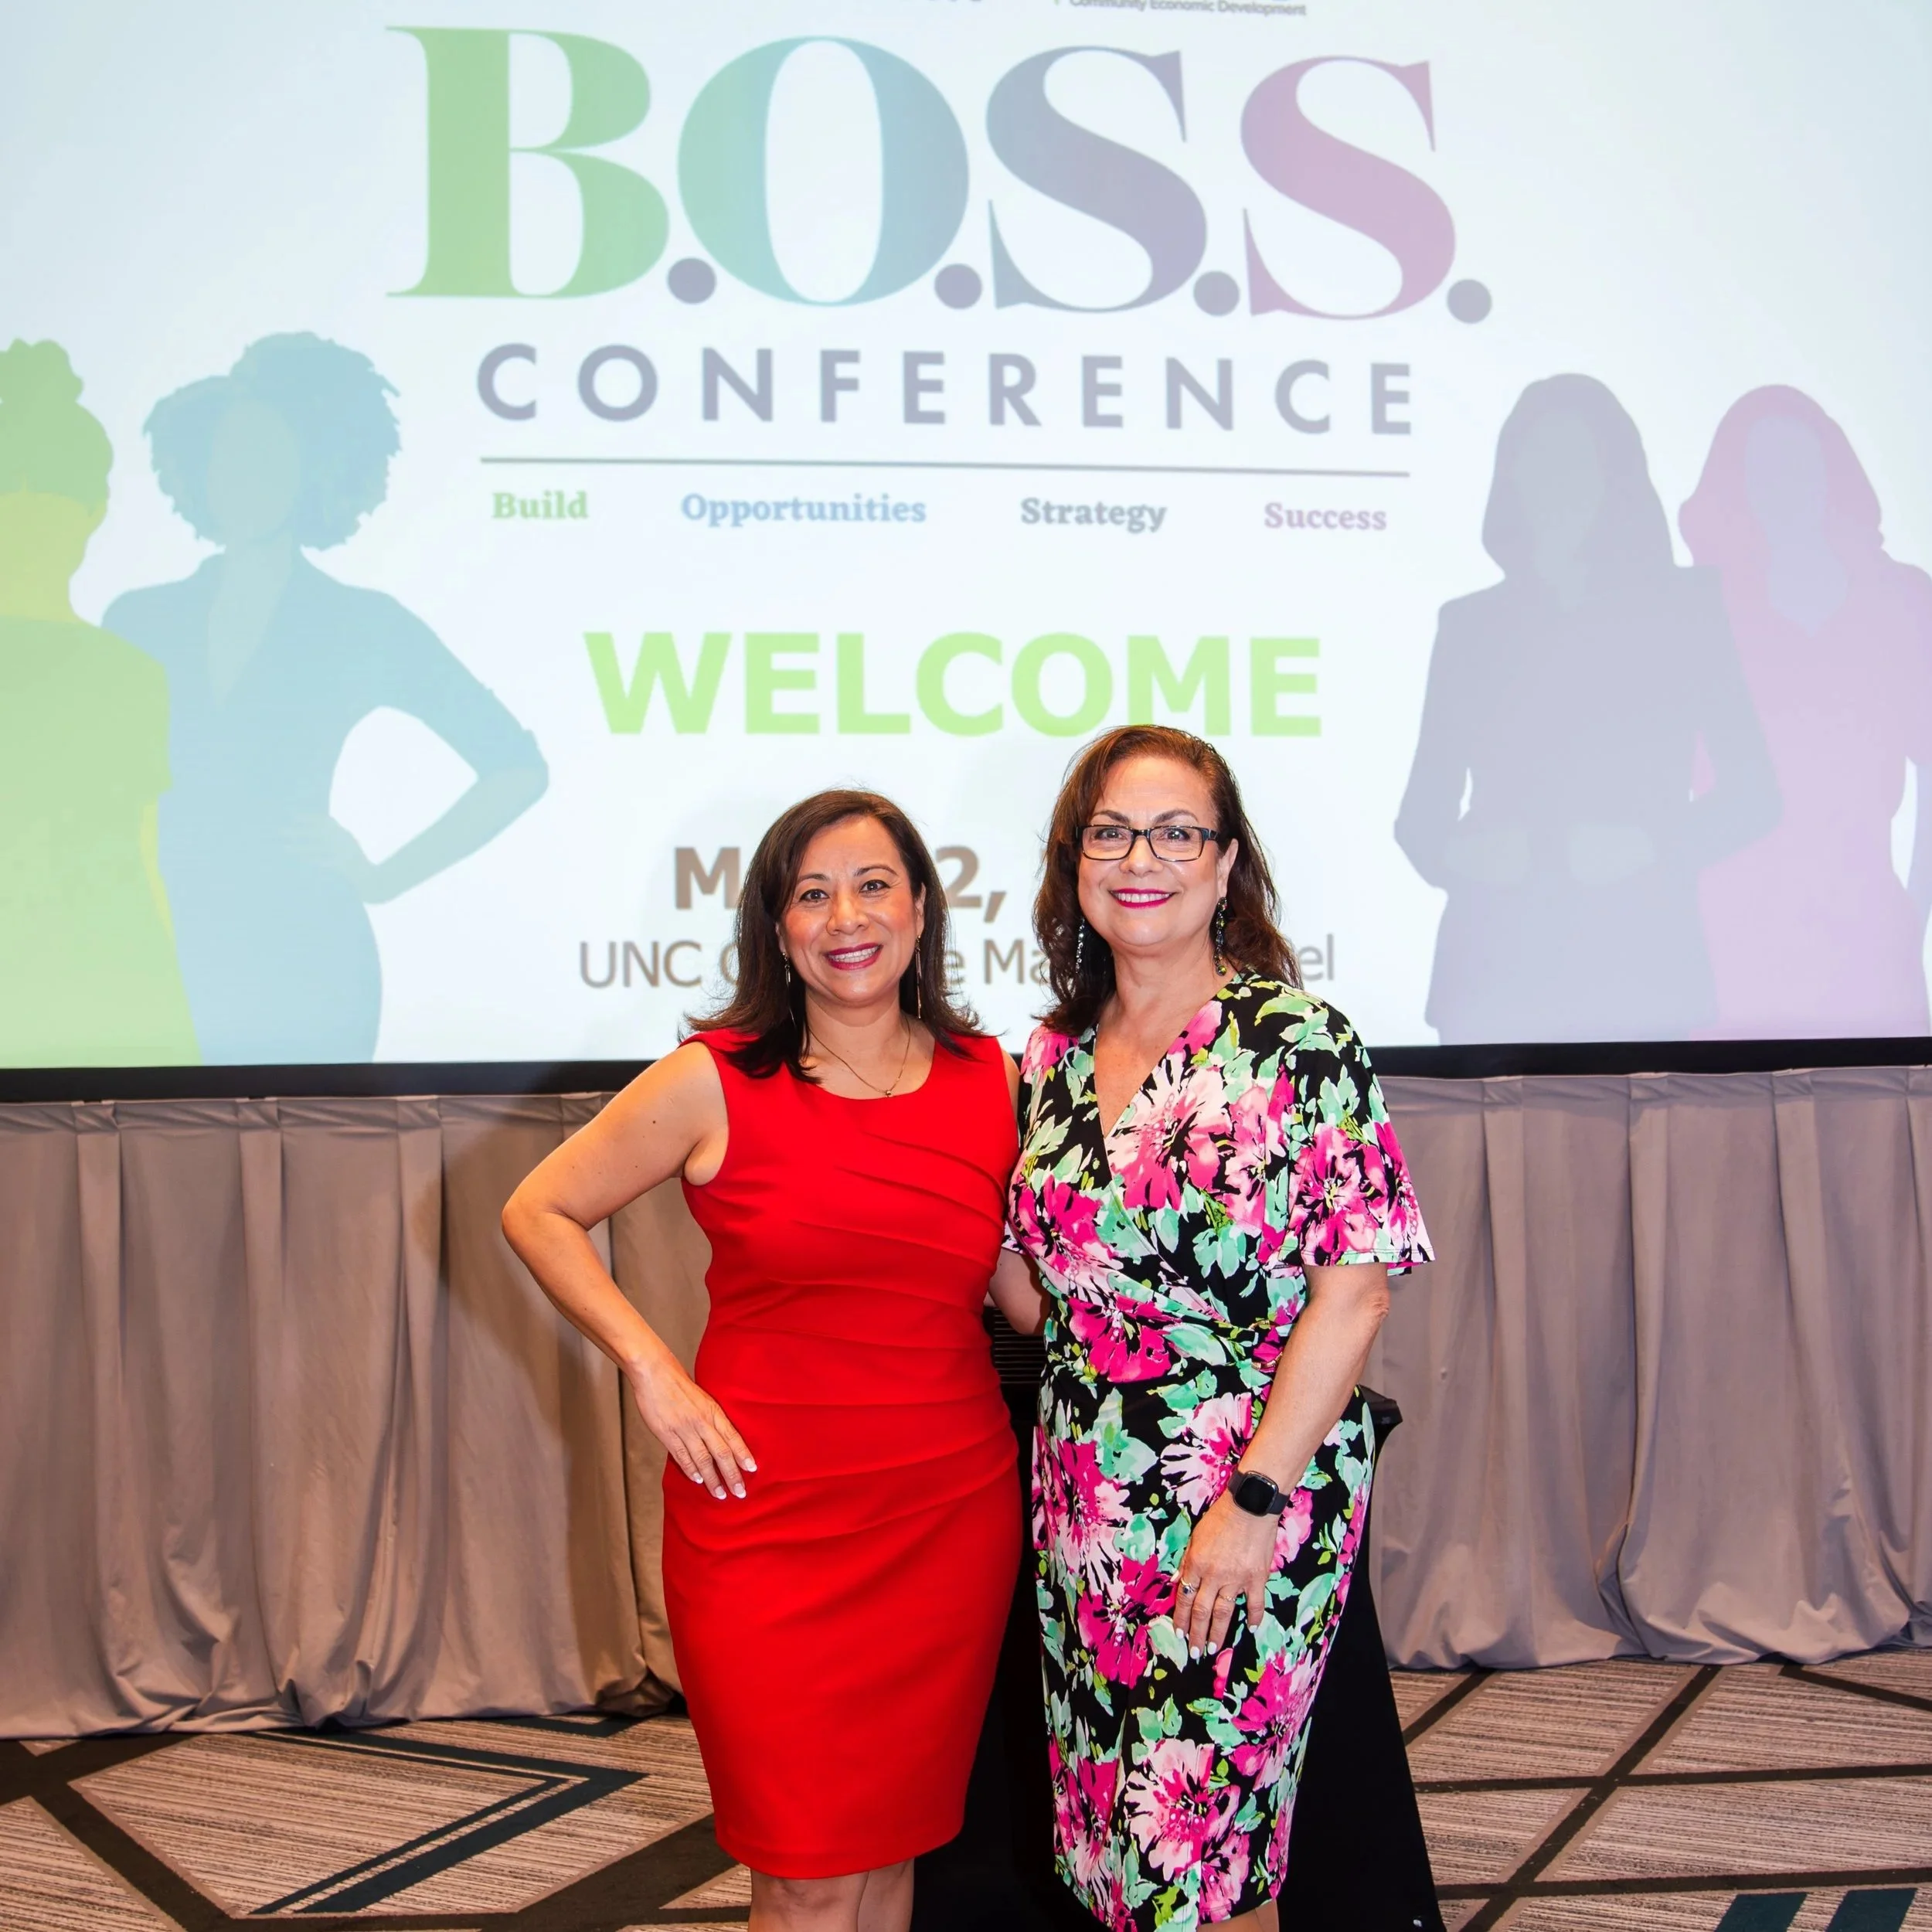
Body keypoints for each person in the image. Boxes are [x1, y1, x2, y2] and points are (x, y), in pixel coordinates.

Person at [502, 789, 1043, 1932]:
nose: (846, 915)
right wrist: (655, 1370)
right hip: (762, 1513)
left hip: (947, 1513)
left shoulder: (989, 1079)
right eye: (812, 893)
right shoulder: (717, 1077)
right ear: (778, 928)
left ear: (922, 908)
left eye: (873, 884)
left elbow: (1024, 1300)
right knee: (800, 1866)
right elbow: (540, 1209)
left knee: (893, 1849)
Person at [1006, 726, 1431, 1931]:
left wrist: (1249, 1508)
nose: (1143, 858)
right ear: (1074, 862)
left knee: (1204, 1846)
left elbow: (1357, 1294)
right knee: (1113, 1845)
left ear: (1227, 861)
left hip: (1242, 1496)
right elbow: (1049, 1298)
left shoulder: (1301, 1044)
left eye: (1177, 831)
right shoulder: (1049, 1061)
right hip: (1086, 1498)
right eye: (1111, 832)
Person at [106, 332, 548, 1063]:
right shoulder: (139, 619)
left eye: (271, 456)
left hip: (305, 954)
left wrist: (383, 876)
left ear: (315, 470)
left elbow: (516, 768)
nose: (244, 476)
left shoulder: (361, 623)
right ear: (197, 468)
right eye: (227, 454)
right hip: (165, 944)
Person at [1394, 373, 1778, 1043]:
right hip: (1495, 971)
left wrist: (1652, 846)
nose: (1553, 476)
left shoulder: (1685, 612)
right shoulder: (1470, 626)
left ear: (1613, 473)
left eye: (1575, 455)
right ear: (1509, 475)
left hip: (1643, 965)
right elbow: (1420, 821)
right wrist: (1466, 855)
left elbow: (1754, 795)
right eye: (1533, 455)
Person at [1680, 386, 1932, 1036]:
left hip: (1867, 924)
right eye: (1760, 469)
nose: (1783, 484)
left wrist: (1915, 912)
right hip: (1729, 930)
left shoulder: (1903, 597)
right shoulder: (1702, 607)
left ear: (1832, 471)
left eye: (1799, 462)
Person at [0, 338, 197, 1066]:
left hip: (120, 1009)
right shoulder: (132, 672)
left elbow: (146, 866)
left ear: (94, 508)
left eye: (39, 488)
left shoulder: (133, 674)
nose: (25, 510)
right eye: (12, 486)